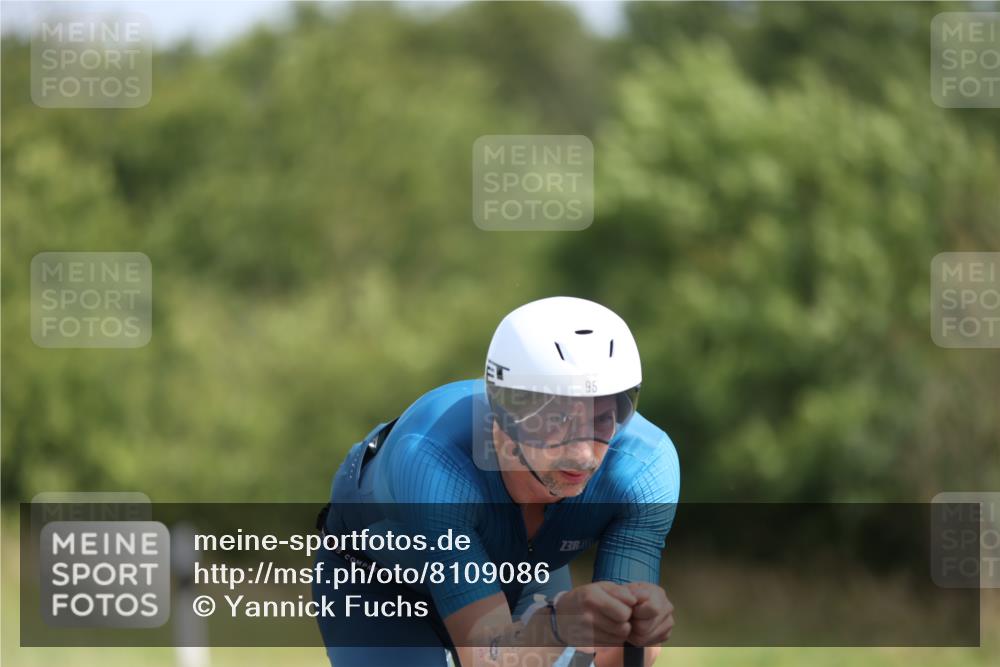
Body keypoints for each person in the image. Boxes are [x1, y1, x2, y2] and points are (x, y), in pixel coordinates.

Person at [313, 296, 680, 667]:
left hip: (523, 570)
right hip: (382, 582)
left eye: (602, 420)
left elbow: (620, 653)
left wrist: (636, 632)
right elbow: (486, 658)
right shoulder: (433, 459)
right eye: (557, 421)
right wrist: (559, 625)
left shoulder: (644, 468)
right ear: (504, 416)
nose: (585, 455)